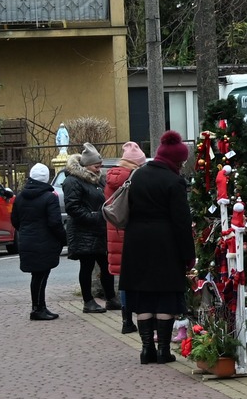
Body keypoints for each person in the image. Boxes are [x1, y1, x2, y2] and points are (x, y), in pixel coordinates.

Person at [120, 130, 195, 364]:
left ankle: (145, 350)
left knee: (143, 297)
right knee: (165, 297)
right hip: (166, 243)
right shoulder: (174, 181)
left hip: (136, 242)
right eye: (181, 161)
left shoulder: (137, 175)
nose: (182, 165)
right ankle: (163, 350)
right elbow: (182, 223)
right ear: (175, 160)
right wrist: (188, 255)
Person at [14, 163, 68, 321]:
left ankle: (39, 306)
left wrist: (25, 231)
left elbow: (15, 220)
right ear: (46, 179)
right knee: (42, 275)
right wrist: (63, 239)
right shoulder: (49, 197)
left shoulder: (20, 197)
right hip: (45, 241)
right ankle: (38, 308)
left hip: (27, 240)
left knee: (37, 276)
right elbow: (55, 223)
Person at [62, 146, 110, 314]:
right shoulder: (73, 181)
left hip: (98, 229)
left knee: (106, 265)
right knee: (87, 265)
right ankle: (88, 301)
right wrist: (95, 217)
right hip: (83, 231)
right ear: (86, 165)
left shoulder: (98, 179)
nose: (100, 168)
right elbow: (73, 207)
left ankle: (111, 298)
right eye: (96, 165)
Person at [104, 141, 145, 334]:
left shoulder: (111, 177)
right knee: (135, 278)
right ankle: (135, 316)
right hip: (130, 233)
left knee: (123, 280)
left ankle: (125, 319)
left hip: (115, 231)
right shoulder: (133, 179)